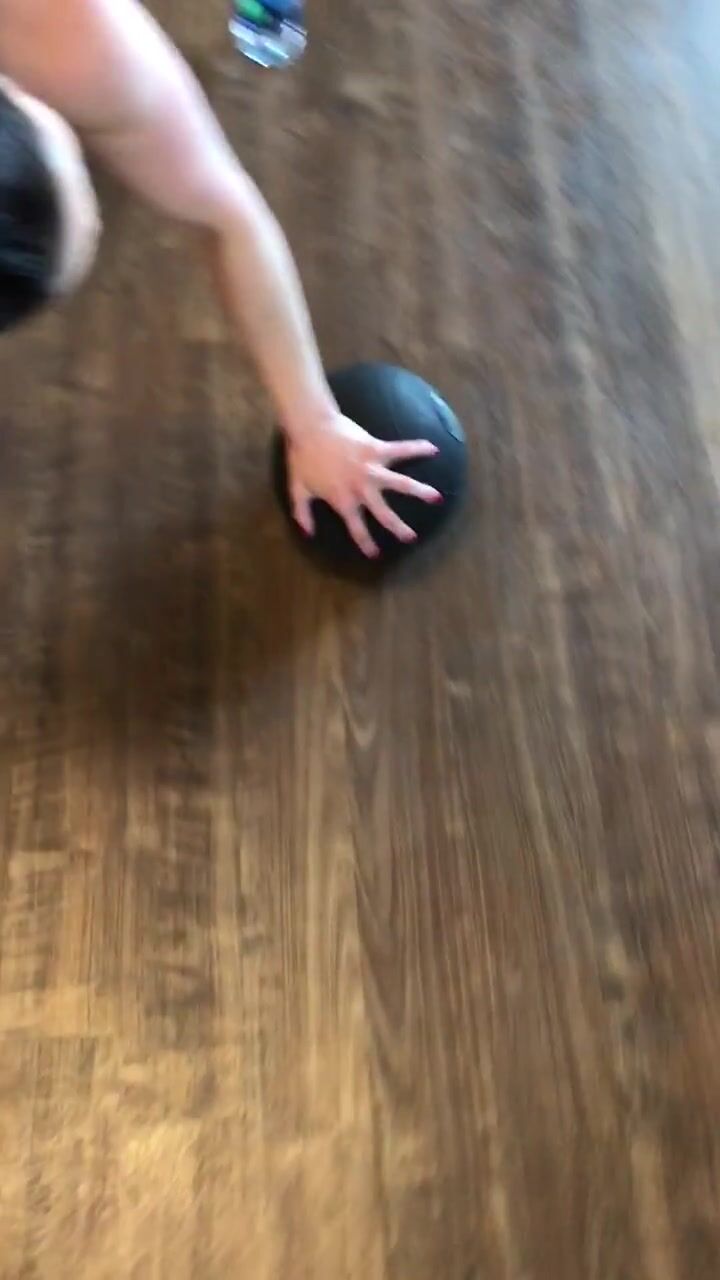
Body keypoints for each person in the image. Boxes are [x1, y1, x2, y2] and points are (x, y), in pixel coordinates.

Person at [0, 0, 441, 558]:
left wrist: (315, 422)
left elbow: (229, 218)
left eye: (67, 146)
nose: (99, 223)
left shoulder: (77, 34)